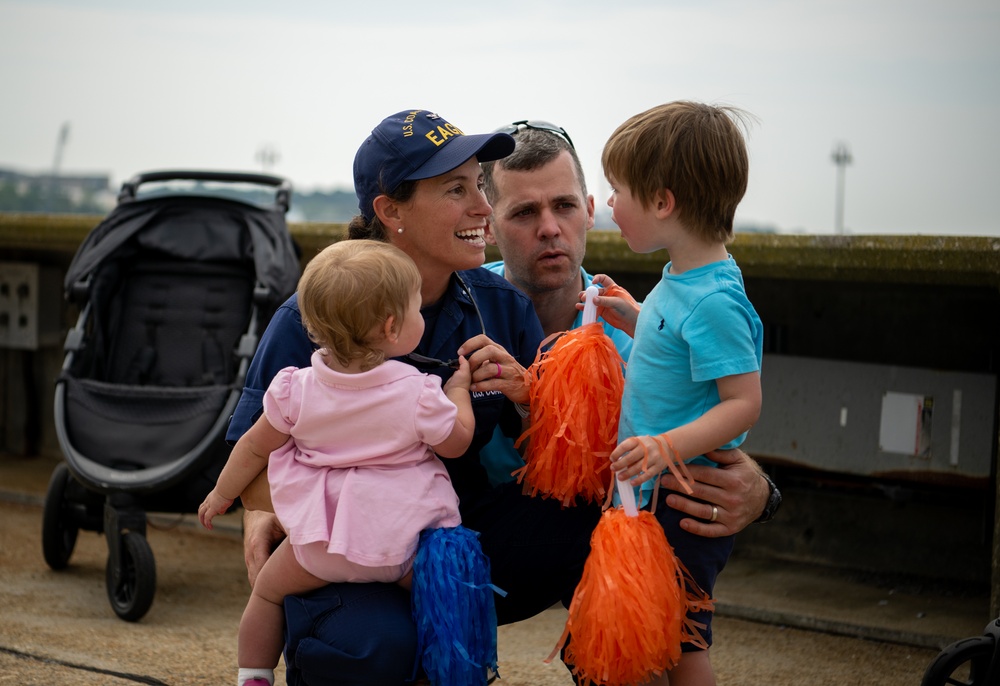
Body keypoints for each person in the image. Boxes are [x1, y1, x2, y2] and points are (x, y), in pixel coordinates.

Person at [233, 109, 604, 686]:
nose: (483, 207)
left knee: (602, 513)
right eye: (456, 190)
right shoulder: (311, 318)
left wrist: (529, 397)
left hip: (450, 539)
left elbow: (551, 458)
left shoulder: (501, 305)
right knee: (381, 647)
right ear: (390, 211)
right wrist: (265, 514)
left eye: (479, 184)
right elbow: (252, 469)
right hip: (346, 551)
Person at [480, 120, 777, 539]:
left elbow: (720, 419)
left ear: (589, 211)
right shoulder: (459, 312)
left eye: (564, 206)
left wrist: (764, 493)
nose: (549, 228)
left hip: (606, 531)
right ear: (487, 226)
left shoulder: (639, 335)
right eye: (525, 212)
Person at [200, 240, 475, 686]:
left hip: (319, 547)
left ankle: (253, 674)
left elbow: (253, 448)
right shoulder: (418, 393)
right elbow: (457, 443)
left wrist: (222, 494)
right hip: (400, 545)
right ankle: (452, 673)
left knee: (268, 595)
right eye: (415, 309)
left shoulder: (295, 389)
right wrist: (458, 392)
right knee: (443, 603)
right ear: (391, 327)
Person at [594, 101, 765, 685]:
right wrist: (635, 318)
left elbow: (743, 402)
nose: (609, 204)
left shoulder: (715, 300)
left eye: (618, 191)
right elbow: (680, 349)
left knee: (681, 644)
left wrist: (665, 446)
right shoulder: (683, 279)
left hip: (682, 496)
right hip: (657, 488)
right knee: (651, 640)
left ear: (663, 202)